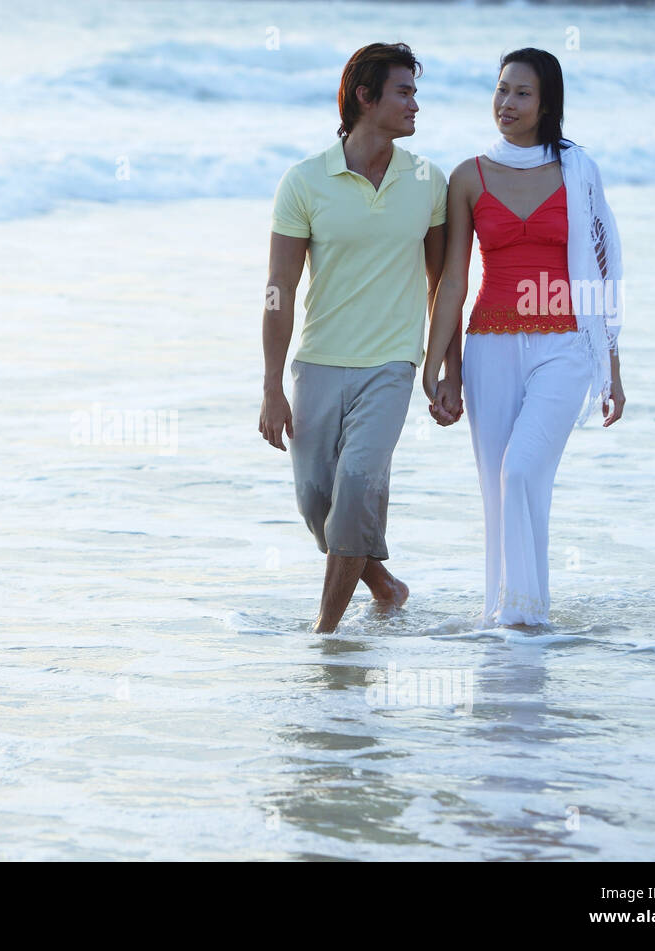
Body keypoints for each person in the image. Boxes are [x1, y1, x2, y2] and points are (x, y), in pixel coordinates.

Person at [422, 47, 626, 629]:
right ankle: (515, 615)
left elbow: (602, 271)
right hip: (489, 345)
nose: (506, 103)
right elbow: (453, 281)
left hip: (565, 346)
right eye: (501, 89)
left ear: (546, 104)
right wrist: (438, 368)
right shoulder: (469, 176)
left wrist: (612, 365)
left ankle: (520, 617)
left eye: (522, 93)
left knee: (520, 470)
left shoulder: (578, 171)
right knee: (499, 489)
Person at [259, 42, 448, 634]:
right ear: (366, 97)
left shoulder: (428, 181)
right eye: (404, 92)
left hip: (391, 365)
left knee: (358, 490)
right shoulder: (304, 181)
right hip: (316, 363)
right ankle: (386, 587)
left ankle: (326, 635)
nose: (415, 104)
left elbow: (442, 284)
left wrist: (443, 369)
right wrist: (271, 385)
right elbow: (278, 289)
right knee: (318, 505)